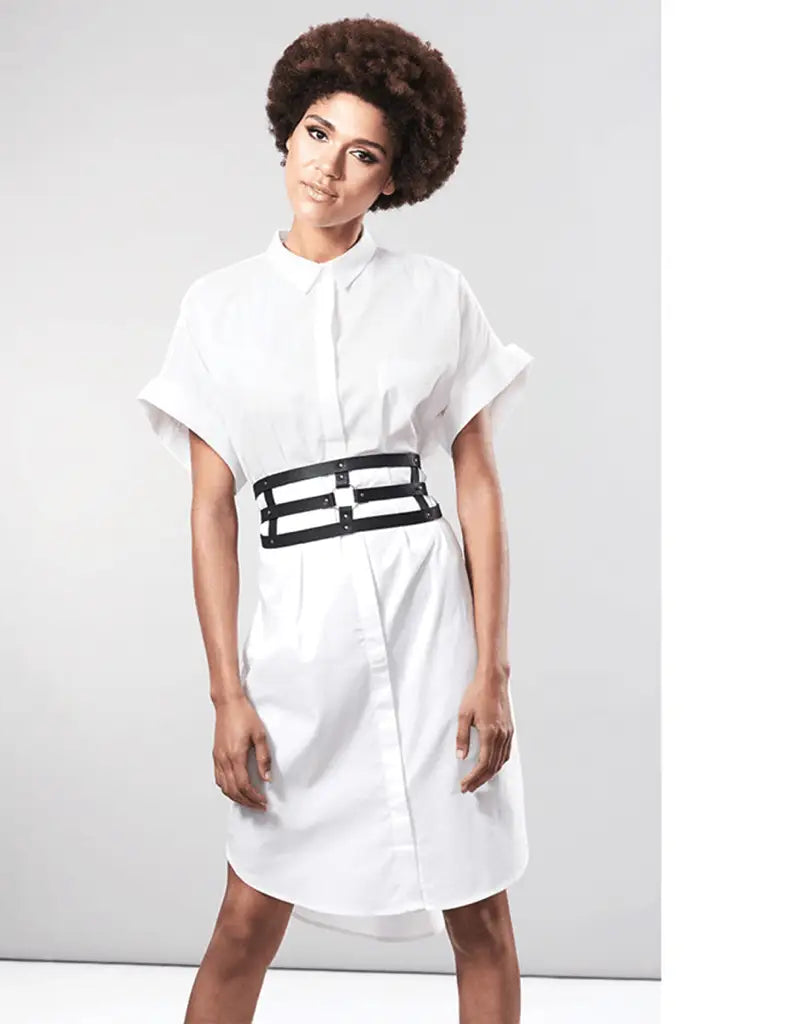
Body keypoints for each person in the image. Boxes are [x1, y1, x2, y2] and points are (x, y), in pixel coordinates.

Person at [137, 16, 534, 1024]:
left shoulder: (436, 295)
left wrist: (490, 668)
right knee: (245, 919)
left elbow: (478, 486)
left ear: (393, 179)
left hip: (430, 627)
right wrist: (227, 692)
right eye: (318, 134)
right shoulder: (217, 308)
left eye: (364, 154)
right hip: (299, 641)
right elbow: (211, 510)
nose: (328, 167)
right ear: (288, 131)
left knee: (480, 912)